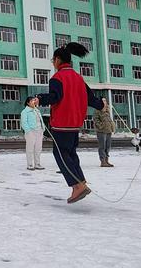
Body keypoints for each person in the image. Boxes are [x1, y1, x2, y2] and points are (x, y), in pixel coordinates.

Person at [36, 42, 104, 204]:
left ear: (58, 60)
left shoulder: (57, 78)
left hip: (61, 124)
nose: (53, 63)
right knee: (71, 154)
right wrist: (102, 104)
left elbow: (55, 97)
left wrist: (39, 98)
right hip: (75, 125)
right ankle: (80, 182)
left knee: (61, 154)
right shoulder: (79, 78)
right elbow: (91, 99)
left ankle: (76, 185)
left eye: (53, 60)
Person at [20, 96, 45, 171]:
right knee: (30, 148)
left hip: (39, 131)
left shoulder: (37, 110)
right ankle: (30, 164)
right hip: (31, 132)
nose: (33, 102)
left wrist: (42, 129)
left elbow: (40, 120)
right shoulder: (25, 112)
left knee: (38, 148)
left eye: (34, 100)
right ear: (28, 102)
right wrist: (28, 131)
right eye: (31, 101)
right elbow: (24, 123)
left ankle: (37, 163)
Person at [93, 98, 115, 167]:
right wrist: (101, 127)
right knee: (102, 146)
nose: (104, 102)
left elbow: (109, 120)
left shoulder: (107, 110)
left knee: (108, 146)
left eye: (105, 100)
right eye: (103, 101)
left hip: (108, 131)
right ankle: (102, 161)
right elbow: (96, 120)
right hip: (101, 131)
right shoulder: (97, 110)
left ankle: (106, 160)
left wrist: (112, 127)